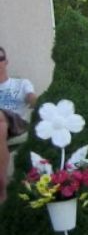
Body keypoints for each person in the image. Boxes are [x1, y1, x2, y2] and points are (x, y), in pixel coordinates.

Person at [0, 46, 37, 203]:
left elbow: (32, 97)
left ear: (6, 61)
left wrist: (36, 102)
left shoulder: (20, 83)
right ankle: (3, 186)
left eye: (0, 58)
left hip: (17, 123)